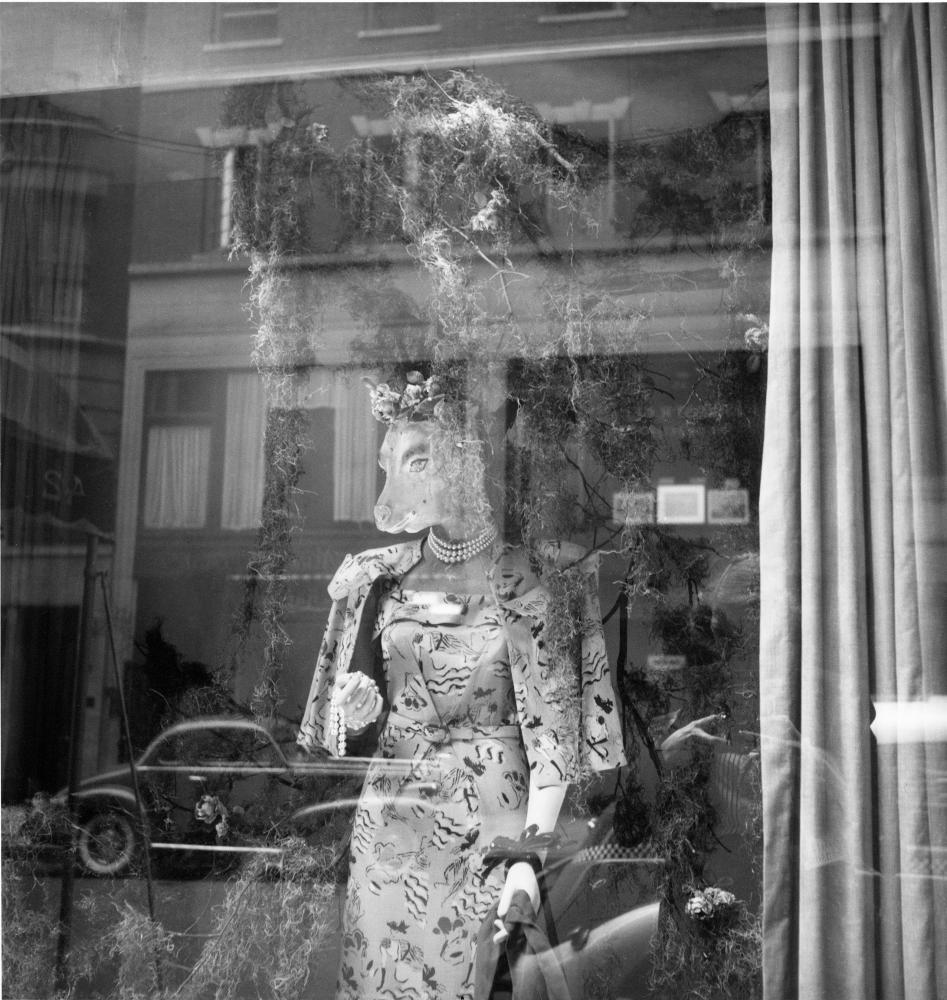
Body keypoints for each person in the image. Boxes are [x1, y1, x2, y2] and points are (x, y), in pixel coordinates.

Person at [297, 373, 626, 1000]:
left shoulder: (531, 583)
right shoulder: (380, 581)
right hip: (390, 828)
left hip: (492, 826)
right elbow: (345, 725)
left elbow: (552, 733)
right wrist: (355, 709)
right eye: (390, 464)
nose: (391, 489)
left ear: (467, 465)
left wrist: (530, 859)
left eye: (417, 461)